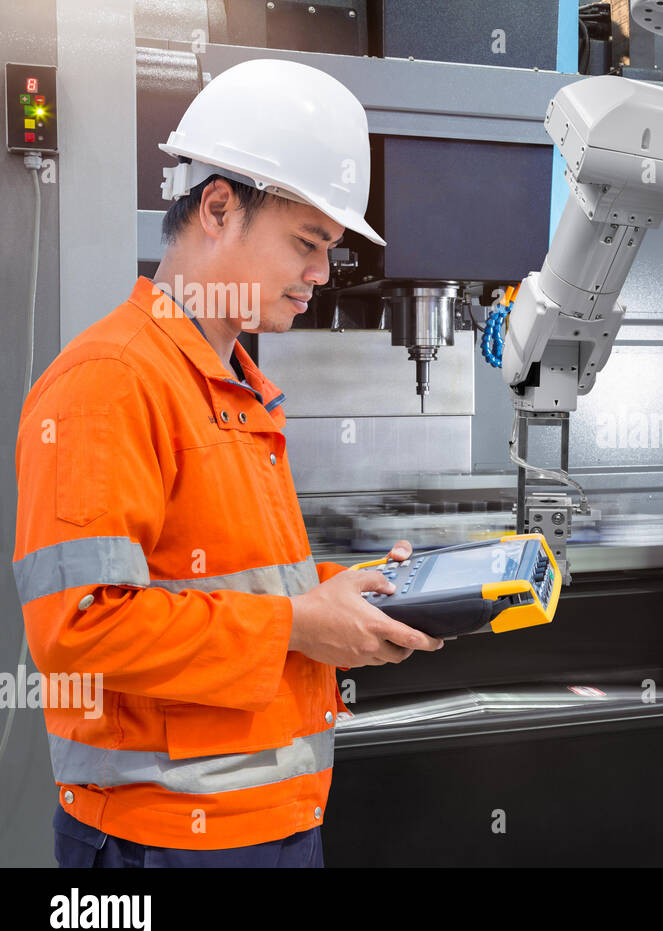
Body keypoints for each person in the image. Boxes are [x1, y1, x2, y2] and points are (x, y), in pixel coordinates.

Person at [11, 59, 442, 867]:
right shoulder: (110, 382)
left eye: (329, 248)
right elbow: (79, 626)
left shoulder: (235, 388)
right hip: (160, 840)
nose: (321, 273)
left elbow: (223, 586)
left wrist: (330, 597)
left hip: (272, 825)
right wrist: (298, 624)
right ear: (217, 207)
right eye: (307, 244)